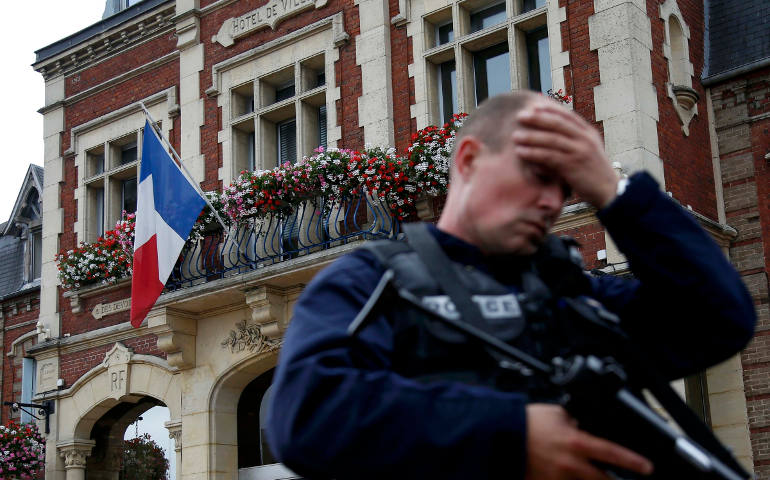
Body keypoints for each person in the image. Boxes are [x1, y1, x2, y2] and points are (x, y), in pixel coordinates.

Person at [265, 91, 756, 480]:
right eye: (537, 175)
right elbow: (308, 415)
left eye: (566, 189)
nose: (551, 202)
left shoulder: (569, 297)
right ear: (469, 160)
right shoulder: (372, 280)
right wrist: (512, 432)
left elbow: (719, 318)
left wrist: (614, 190)